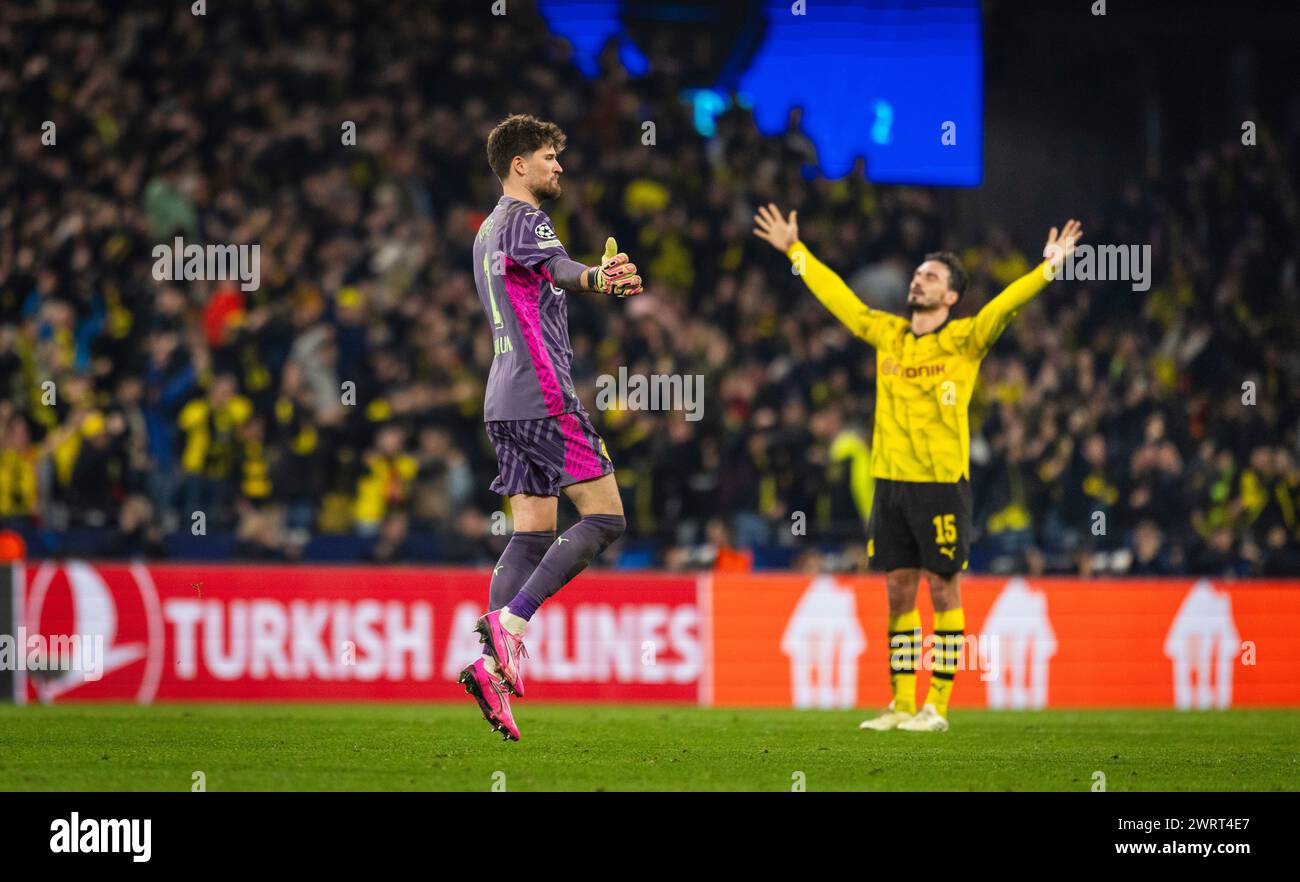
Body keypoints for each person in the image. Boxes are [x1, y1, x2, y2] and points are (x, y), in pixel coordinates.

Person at [753, 203, 1081, 732]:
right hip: (891, 483)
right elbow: (841, 300)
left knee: (943, 588)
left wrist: (1048, 269)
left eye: (930, 276)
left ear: (950, 295)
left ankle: (938, 706)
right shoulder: (890, 335)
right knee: (898, 589)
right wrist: (796, 250)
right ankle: (901, 703)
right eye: (917, 273)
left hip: (940, 484)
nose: (918, 280)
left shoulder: (965, 339)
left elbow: (1004, 307)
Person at [458, 114, 644, 741]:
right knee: (607, 518)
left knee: (533, 533)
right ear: (519, 165)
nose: (558, 167)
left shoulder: (485, 231)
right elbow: (564, 269)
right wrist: (599, 277)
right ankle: (510, 628)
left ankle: (489, 665)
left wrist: (588, 277)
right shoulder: (525, 218)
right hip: (543, 396)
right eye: (547, 156)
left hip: (502, 399)